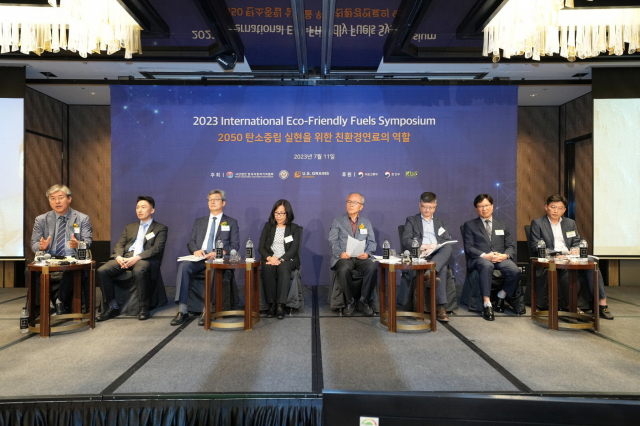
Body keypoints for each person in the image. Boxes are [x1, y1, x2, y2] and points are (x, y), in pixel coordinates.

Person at [529, 194, 614, 320]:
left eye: (560, 208)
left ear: (564, 210)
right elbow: (536, 245)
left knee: (592, 265)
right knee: (566, 269)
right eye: (553, 207)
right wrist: (557, 254)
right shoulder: (538, 223)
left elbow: (576, 242)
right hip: (552, 259)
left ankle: (602, 304)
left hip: (570, 257)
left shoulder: (570, 223)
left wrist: (576, 249)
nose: (556, 211)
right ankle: (573, 306)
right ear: (546, 207)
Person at [171, 189, 239, 326]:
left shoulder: (231, 222)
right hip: (200, 258)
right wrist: (195, 251)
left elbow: (234, 245)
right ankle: (182, 310)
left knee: (212, 266)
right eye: (210, 200)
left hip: (217, 259)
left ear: (223, 203)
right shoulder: (199, 222)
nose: (212, 202)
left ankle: (207, 309)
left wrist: (218, 252)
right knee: (184, 266)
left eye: (216, 199)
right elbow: (191, 242)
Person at [97, 196, 168, 321]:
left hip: (144, 259)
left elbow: (156, 248)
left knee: (139, 270)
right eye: (137, 207)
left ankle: (143, 307)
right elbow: (120, 244)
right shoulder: (129, 227)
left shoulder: (160, 228)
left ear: (152, 210)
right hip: (126, 257)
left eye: (143, 207)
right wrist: (118, 257)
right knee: (102, 271)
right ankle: (112, 306)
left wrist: (137, 257)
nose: (139, 210)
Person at [29, 184, 92, 315]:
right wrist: (41, 247)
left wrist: (78, 244)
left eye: (60, 197)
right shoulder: (41, 219)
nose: (57, 201)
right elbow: (34, 243)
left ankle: (59, 301)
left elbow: (88, 241)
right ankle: (42, 308)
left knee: (72, 268)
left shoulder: (82, 218)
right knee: (31, 271)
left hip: (73, 259)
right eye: (52, 198)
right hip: (49, 259)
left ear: (69, 199)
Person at [463, 194, 523, 321]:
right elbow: (469, 248)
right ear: (476, 209)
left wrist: (505, 255)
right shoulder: (470, 225)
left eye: (486, 205)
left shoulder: (502, 224)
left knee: (515, 271)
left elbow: (510, 246)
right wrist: (485, 256)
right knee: (487, 265)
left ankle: (502, 296)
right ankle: (487, 303)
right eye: (480, 206)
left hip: (500, 258)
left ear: (492, 206)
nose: (484, 209)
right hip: (480, 259)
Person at [400, 192, 453, 322]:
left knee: (448, 247)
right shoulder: (412, 220)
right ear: (419, 205)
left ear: (435, 206)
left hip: (437, 254)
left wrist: (435, 246)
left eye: (430, 207)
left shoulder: (441, 222)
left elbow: (446, 240)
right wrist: (422, 246)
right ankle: (441, 308)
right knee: (442, 268)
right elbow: (406, 240)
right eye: (424, 207)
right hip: (420, 253)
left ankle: (430, 272)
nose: (427, 210)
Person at [328, 192, 377, 316]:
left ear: (361, 206)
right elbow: (333, 241)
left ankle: (363, 301)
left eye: (355, 202)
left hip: (361, 257)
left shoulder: (366, 222)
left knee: (371, 267)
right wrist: (340, 253)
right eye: (349, 202)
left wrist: (367, 253)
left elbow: (372, 242)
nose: (351, 204)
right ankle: (349, 301)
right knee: (344, 268)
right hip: (344, 257)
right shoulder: (338, 221)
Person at [258, 199, 302, 320]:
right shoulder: (268, 226)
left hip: (288, 259)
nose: (278, 216)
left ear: (288, 214)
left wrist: (281, 260)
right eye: (276, 213)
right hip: (271, 258)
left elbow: (294, 249)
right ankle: (271, 304)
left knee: (283, 268)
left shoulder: (294, 228)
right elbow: (261, 247)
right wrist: (269, 258)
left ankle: (280, 305)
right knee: (267, 268)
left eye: (281, 213)